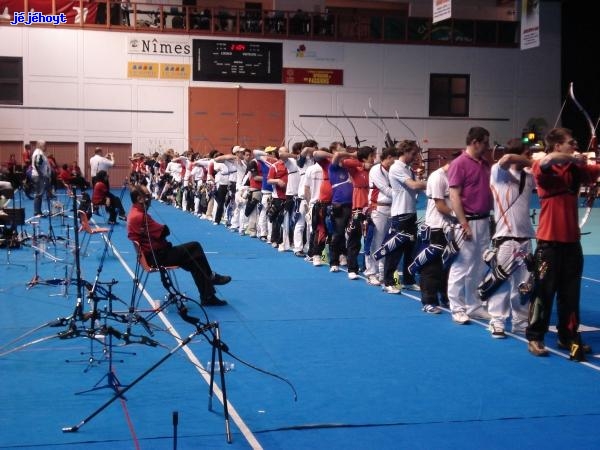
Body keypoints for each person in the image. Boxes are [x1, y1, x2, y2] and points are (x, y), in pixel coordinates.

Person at [526, 127, 600, 359]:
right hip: (549, 243)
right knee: (543, 292)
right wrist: (575, 158)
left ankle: (567, 336)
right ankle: (535, 336)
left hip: (571, 242)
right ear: (557, 145)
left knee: (571, 294)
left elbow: (594, 170)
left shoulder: (576, 168)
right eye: (571, 142)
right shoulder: (544, 166)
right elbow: (547, 160)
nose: (575, 145)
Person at [127, 184, 231, 307]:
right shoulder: (140, 216)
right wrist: (162, 228)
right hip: (156, 257)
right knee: (195, 247)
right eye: (147, 196)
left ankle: (207, 296)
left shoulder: (134, 212)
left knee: (195, 261)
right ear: (140, 199)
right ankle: (211, 278)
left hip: (153, 254)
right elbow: (164, 232)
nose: (150, 199)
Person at [484, 139, 535, 338]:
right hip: (505, 236)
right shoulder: (499, 173)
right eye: (527, 153)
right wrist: (530, 160)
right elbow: (506, 158)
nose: (530, 156)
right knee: (501, 280)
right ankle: (496, 321)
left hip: (525, 236)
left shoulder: (529, 176)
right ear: (520, 154)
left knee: (524, 283)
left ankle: (520, 322)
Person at [447, 127, 493, 324]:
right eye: (485, 142)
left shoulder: (484, 164)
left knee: (480, 266)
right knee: (461, 266)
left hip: (484, 220)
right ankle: (457, 308)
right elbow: (454, 195)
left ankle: (473, 306)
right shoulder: (459, 164)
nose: (488, 146)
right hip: (468, 222)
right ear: (475, 142)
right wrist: (463, 223)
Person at [411, 153, 458, 314]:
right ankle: (428, 301)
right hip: (435, 229)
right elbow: (441, 206)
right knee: (431, 268)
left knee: (448, 266)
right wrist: (462, 218)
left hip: (450, 228)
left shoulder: (455, 177)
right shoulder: (437, 177)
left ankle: (445, 297)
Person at [382, 140, 426, 293]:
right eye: (413, 153)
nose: (415, 157)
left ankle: (408, 280)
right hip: (400, 214)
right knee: (395, 250)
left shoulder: (409, 169)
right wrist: (431, 182)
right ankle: (387, 282)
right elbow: (414, 186)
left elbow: (417, 189)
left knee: (410, 249)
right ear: (405, 152)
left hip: (411, 213)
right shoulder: (396, 167)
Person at [30, 140, 52, 217]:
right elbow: (37, 164)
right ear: (41, 145)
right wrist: (41, 174)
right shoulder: (38, 153)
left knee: (40, 194)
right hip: (39, 176)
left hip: (39, 176)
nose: (46, 147)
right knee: (38, 194)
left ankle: (39, 211)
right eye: (45, 145)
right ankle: (37, 212)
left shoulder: (39, 152)